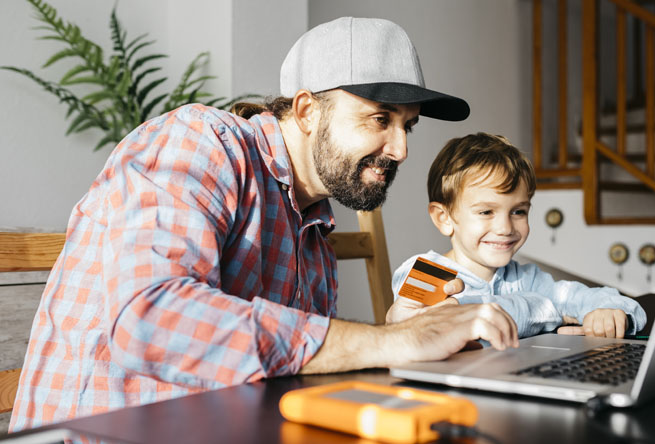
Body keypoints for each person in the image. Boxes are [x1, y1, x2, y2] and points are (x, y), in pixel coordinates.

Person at [10, 17, 519, 432]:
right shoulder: (199, 142)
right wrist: (385, 344)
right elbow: (147, 317)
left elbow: (287, 376)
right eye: (380, 118)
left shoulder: (314, 229)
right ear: (306, 110)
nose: (402, 149)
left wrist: (401, 336)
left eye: (407, 126)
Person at [386, 132, 646, 339]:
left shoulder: (526, 279)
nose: (505, 228)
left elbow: (598, 299)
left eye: (518, 211)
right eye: (486, 211)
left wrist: (612, 313)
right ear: (445, 219)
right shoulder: (424, 273)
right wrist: (549, 310)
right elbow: (455, 324)